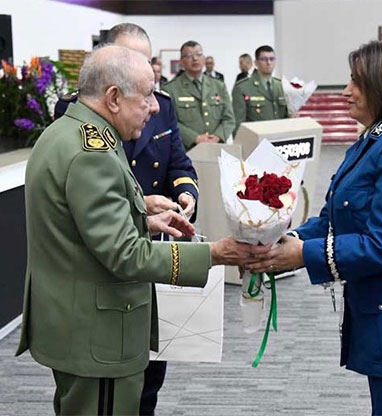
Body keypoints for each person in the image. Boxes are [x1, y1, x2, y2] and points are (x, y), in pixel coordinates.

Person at [16, 45, 268, 416]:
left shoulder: (69, 132)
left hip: (73, 321)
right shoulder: (93, 154)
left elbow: (76, 225)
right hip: (98, 335)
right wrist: (216, 254)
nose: (154, 106)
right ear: (113, 98)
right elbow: (126, 255)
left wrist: (141, 217)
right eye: (147, 94)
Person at [247, 38, 382, 416]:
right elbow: (339, 217)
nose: (346, 91)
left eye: (356, 82)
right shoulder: (374, 140)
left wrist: (302, 254)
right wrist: (287, 239)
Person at [53, 23, 205, 415]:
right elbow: (105, 215)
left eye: (149, 62)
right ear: (110, 78)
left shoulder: (161, 104)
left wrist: (184, 194)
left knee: (150, 372)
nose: (152, 102)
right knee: (108, 394)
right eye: (133, 62)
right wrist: (216, 254)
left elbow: (177, 162)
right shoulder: (82, 122)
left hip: (150, 252)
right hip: (108, 284)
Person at [164, 40, 235, 150]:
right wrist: (195, 138)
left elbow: (229, 119)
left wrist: (217, 137)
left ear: (204, 58)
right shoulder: (170, 89)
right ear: (181, 62)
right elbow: (168, 121)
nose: (195, 58)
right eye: (189, 56)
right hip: (187, 150)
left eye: (199, 54)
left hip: (217, 148)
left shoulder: (219, 86)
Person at [231, 45, 288, 135]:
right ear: (256, 63)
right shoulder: (243, 87)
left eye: (272, 59)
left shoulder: (281, 86)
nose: (269, 62)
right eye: (264, 59)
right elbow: (238, 125)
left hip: (279, 140)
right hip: (256, 143)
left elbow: (287, 118)